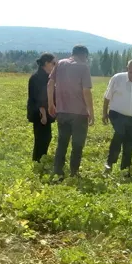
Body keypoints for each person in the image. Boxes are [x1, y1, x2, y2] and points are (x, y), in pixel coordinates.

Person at [47, 45, 95, 179]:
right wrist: (91, 111)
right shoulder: (83, 67)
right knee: (77, 144)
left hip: (62, 111)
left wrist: (51, 104)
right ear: (84, 55)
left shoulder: (61, 63)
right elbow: (86, 91)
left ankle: (58, 171)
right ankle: (74, 173)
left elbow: (50, 84)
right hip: (79, 114)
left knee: (62, 143)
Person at [27, 53, 56, 162]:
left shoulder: (46, 76)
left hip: (45, 113)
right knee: (41, 139)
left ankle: (40, 159)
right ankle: (38, 161)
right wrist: (43, 114)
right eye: (53, 63)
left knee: (46, 137)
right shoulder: (37, 78)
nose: (55, 65)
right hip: (39, 113)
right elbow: (38, 98)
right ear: (46, 63)